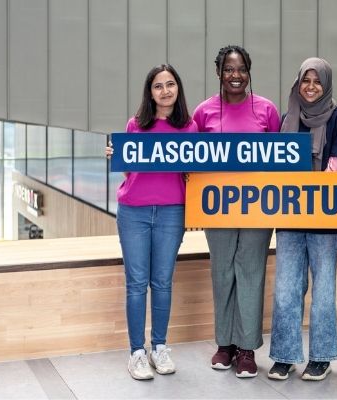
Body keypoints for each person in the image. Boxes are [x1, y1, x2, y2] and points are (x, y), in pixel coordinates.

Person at [192, 45, 280, 378]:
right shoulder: (203, 112)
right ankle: (224, 344)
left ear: (249, 72)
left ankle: (246, 348)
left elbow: (282, 161)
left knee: (251, 272)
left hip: (258, 208)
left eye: (241, 68)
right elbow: (188, 158)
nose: (236, 75)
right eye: (229, 69)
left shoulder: (267, 110)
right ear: (218, 73)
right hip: (218, 209)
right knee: (222, 272)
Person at [107, 64, 198, 380]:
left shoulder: (190, 127)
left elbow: (194, 172)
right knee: (136, 283)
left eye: (170, 84)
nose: (165, 91)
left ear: (178, 89)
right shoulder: (135, 125)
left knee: (162, 281)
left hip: (172, 212)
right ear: (150, 92)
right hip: (134, 212)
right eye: (158, 86)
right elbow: (129, 172)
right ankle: (136, 353)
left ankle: (159, 347)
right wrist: (115, 155)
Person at [267, 57, 337, 381]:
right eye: (305, 80)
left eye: (317, 81)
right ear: (298, 83)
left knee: (324, 290)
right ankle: (285, 355)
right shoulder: (287, 117)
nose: (311, 87)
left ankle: (321, 356)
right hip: (289, 217)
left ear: (326, 84)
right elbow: (274, 164)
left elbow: (336, 162)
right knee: (286, 289)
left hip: (325, 219)